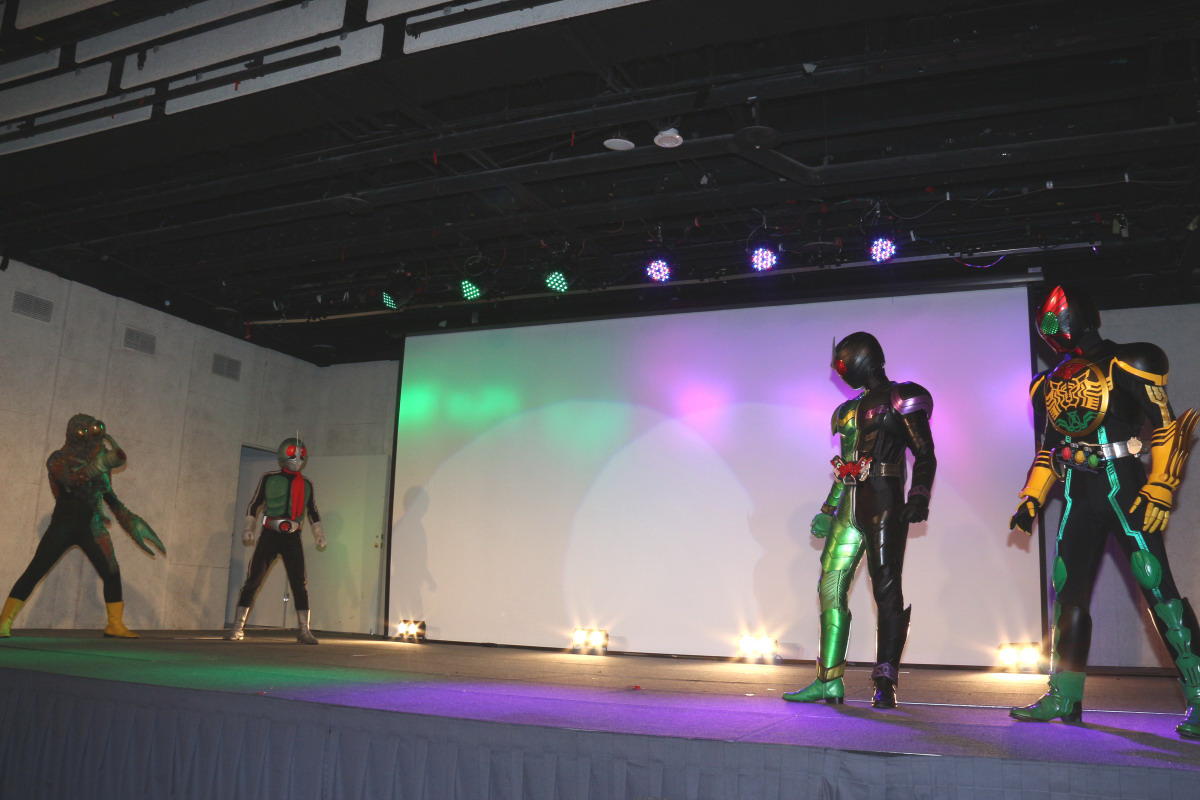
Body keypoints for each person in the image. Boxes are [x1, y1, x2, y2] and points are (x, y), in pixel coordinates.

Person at [1009, 285, 1199, 737]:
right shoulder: (1048, 382)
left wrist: (1161, 486)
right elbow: (1049, 449)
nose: (1052, 326)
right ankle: (1064, 694)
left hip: (1124, 487)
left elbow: (1166, 427)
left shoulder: (1129, 360)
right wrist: (1032, 498)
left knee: (1157, 585)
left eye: (1058, 317)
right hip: (1077, 490)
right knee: (1068, 593)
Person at [783, 332, 936, 708]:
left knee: (885, 588)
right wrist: (828, 509)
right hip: (851, 505)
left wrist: (918, 495)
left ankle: (884, 681)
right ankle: (828, 679)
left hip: (884, 501)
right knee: (830, 586)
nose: (840, 369)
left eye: (843, 363)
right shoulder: (848, 410)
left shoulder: (901, 396)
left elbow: (924, 452)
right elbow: (847, 467)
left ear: (861, 359)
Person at [0, 414, 165, 639]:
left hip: (92, 526)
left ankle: (114, 625)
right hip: (63, 525)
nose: (91, 438)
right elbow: (70, 481)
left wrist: (129, 519)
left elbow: (108, 494)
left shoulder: (98, 458)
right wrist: (101, 464)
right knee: (35, 570)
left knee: (111, 571)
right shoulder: (58, 458)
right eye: (85, 431)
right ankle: (4, 621)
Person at [225, 437, 325, 644]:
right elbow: (255, 504)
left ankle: (304, 630)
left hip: (293, 536)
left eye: (301, 455)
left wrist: (319, 533)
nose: (297, 459)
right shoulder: (269, 478)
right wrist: (248, 527)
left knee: (299, 583)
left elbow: (312, 511)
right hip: (270, 535)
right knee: (253, 580)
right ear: (283, 455)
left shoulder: (306, 484)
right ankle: (237, 627)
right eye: (293, 454)